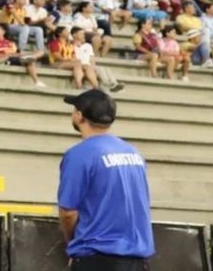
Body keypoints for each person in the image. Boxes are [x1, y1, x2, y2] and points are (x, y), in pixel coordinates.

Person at [58, 90, 154, 270]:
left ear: (79, 116)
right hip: (138, 258)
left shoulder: (79, 154)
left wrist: (74, 245)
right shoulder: (133, 153)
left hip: (98, 257)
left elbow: (68, 212)